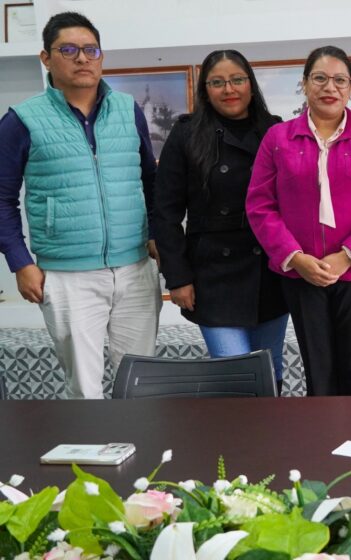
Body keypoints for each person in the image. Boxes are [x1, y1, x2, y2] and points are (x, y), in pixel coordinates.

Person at [0, 12, 161, 399]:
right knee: (85, 391)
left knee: (139, 385)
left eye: (91, 50)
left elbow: (152, 181)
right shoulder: (21, 120)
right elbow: (2, 199)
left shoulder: (128, 110)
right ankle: (89, 443)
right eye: (68, 50)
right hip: (67, 275)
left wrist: (158, 234)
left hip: (135, 268)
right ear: (46, 58)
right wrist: (21, 262)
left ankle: (137, 442)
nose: (83, 58)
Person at [246, 46, 351, 396]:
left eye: (340, 80)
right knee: (319, 371)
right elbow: (260, 204)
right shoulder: (278, 138)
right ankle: (322, 432)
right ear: (304, 83)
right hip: (302, 272)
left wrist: (349, 255)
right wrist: (296, 257)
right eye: (320, 78)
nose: (330, 87)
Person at [153, 50, 289, 385]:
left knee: (270, 370)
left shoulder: (275, 130)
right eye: (217, 82)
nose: (229, 89)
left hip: (268, 272)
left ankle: (274, 422)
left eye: (237, 80)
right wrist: (177, 278)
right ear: (205, 89)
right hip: (213, 275)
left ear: (251, 85)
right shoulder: (186, 134)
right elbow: (165, 212)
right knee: (235, 375)